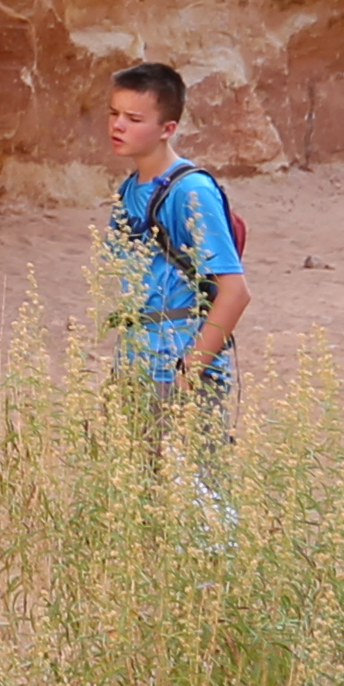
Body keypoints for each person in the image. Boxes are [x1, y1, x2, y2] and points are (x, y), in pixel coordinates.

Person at [104, 62, 247, 420]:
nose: (118, 126)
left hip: (178, 372)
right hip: (136, 369)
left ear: (168, 128)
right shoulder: (129, 189)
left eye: (134, 119)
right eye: (114, 113)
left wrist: (188, 375)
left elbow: (235, 291)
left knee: (189, 478)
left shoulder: (191, 191)